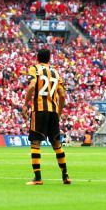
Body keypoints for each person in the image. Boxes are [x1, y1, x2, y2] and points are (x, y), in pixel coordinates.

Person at [22, 48, 71, 185]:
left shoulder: (34, 68)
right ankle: (65, 176)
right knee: (56, 143)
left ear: (37, 57)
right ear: (49, 58)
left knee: (35, 143)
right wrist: (59, 112)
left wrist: (26, 105)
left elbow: (32, 86)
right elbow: (62, 94)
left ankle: (38, 178)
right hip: (53, 111)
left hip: (39, 110)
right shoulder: (55, 72)